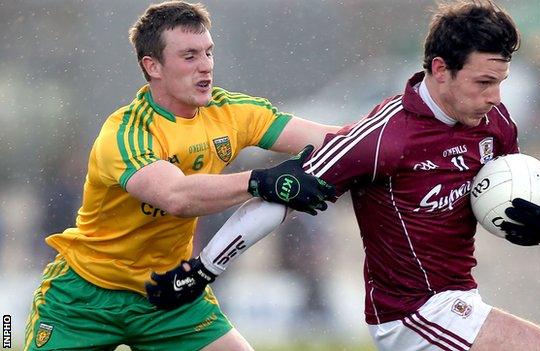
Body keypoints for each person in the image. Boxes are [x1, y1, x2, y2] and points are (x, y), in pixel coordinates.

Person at [146, 1, 540, 350]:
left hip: (462, 302)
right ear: (440, 69)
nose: (496, 97)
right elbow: (282, 195)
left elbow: (509, 187)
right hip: (412, 316)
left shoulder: (494, 120)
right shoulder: (383, 137)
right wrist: (202, 269)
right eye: (484, 82)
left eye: (501, 82)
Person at [23, 1, 337, 350]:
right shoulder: (125, 133)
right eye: (189, 56)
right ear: (152, 65)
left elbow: (338, 140)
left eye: (208, 53)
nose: (205, 67)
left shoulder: (231, 113)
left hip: (168, 293)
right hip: (84, 299)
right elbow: (176, 197)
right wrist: (260, 181)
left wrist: (399, 130)